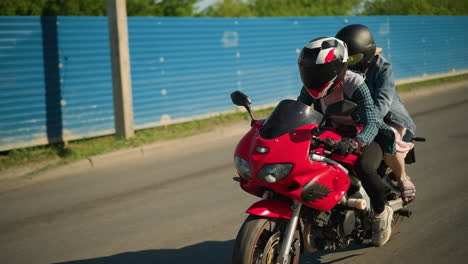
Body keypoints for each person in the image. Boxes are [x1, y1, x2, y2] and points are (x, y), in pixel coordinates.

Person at [297, 37, 396, 246]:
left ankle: (380, 212)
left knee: (365, 167)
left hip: (366, 135)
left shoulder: (354, 83)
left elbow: (372, 121)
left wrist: (358, 142)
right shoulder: (310, 87)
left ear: (338, 68)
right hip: (332, 135)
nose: (314, 77)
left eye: (320, 72)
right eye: (310, 72)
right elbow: (297, 113)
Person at [335, 24, 416, 204]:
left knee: (388, 138)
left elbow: (383, 101)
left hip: (388, 116)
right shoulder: (343, 69)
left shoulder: (382, 67)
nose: (348, 63)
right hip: (357, 114)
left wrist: (368, 123)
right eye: (345, 58)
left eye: (354, 58)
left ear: (369, 54)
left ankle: (402, 177)